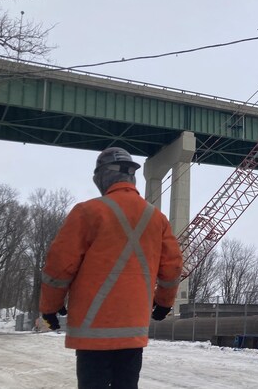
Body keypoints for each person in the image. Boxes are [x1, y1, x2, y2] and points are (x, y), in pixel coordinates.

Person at [40, 147, 183, 388]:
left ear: (101, 177)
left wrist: (50, 308)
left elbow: (59, 268)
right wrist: (164, 303)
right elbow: (172, 269)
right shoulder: (156, 218)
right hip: (132, 331)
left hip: (93, 332)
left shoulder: (87, 212)